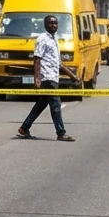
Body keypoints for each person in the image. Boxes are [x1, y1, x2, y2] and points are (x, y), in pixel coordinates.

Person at [16, 14, 76, 142]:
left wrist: (73, 76)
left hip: (53, 76)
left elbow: (58, 63)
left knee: (41, 104)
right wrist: (37, 78)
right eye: (51, 23)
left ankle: (24, 128)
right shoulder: (42, 38)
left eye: (55, 23)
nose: (54, 25)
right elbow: (37, 58)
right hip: (47, 77)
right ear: (45, 25)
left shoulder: (54, 40)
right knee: (56, 104)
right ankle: (61, 132)